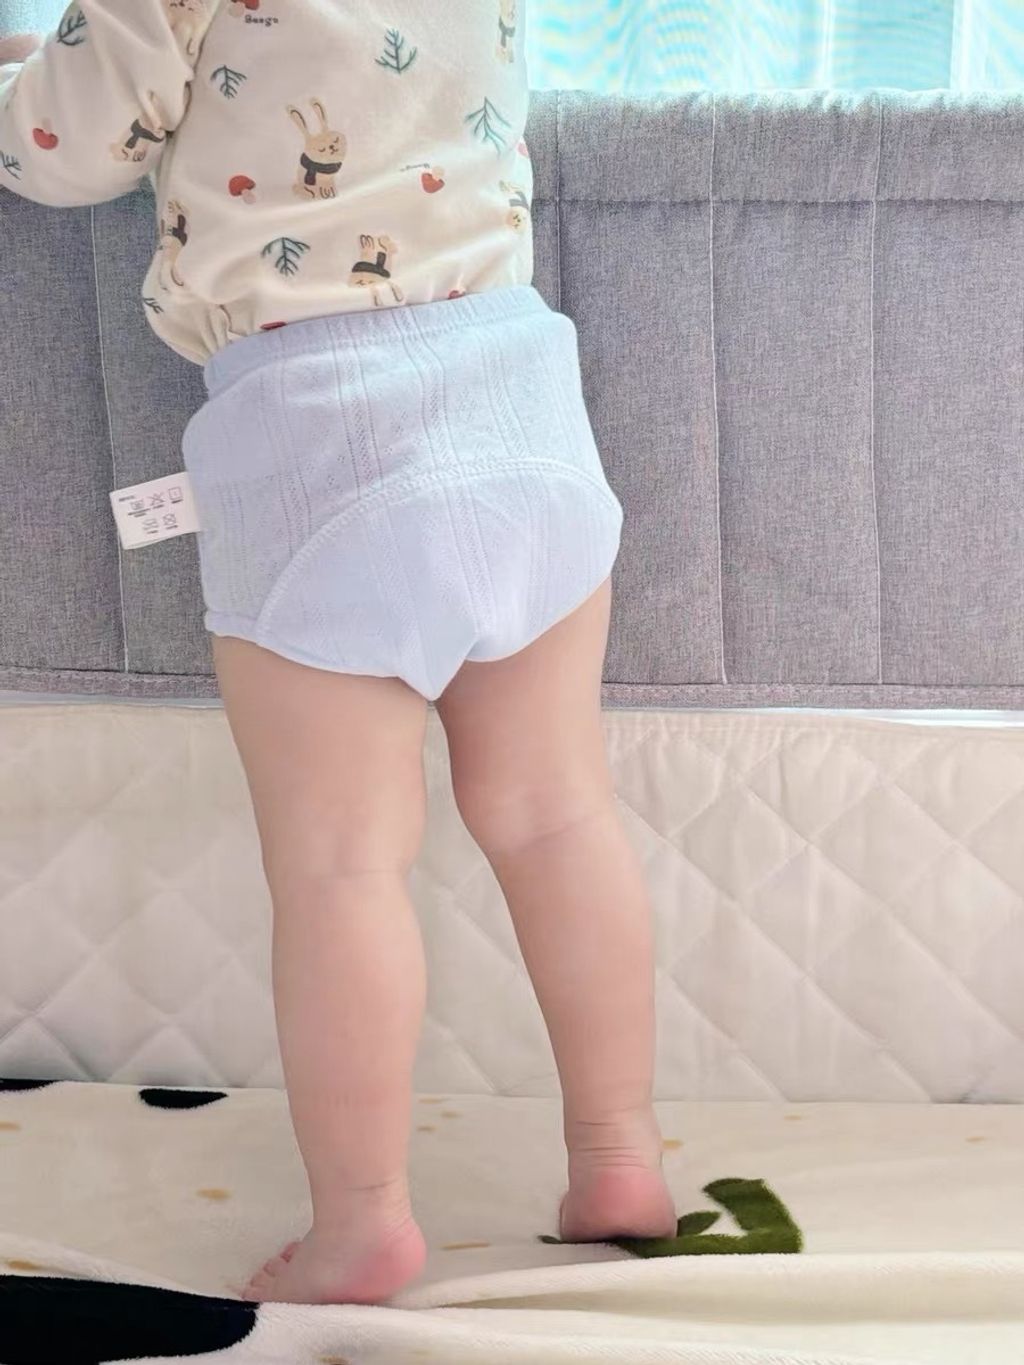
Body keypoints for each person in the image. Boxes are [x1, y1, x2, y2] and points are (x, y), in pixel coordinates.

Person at [0, 0, 676, 1306]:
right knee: (558, 817)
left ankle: (364, 1222)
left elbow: (61, 148)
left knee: (340, 867)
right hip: (520, 400)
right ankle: (619, 1157)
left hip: (318, 433)